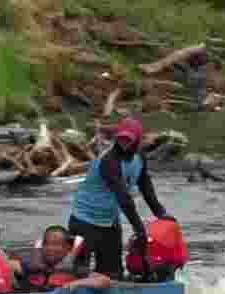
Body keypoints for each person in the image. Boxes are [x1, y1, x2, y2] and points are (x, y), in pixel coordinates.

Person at [67, 116, 175, 280]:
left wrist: (159, 212)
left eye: (128, 139)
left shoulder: (139, 157)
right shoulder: (109, 161)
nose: (124, 142)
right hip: (84, 220)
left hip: (110, 221)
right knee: (80, 272)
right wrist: (139, 229)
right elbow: (123, 198)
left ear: (137, 140)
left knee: (112, 274)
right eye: (121, 138)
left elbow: (144, 184)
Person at [12, 226, 110, 292]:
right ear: (42, 246)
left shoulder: (73, 269)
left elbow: (104, 280)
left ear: (68, 249)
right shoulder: (30, 264)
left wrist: (77, 283)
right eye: (47, 244)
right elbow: (9, 265)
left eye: (56, 245)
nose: (51, 248)